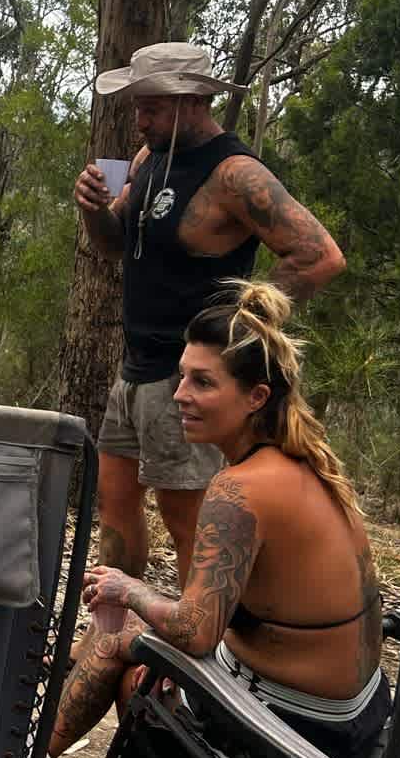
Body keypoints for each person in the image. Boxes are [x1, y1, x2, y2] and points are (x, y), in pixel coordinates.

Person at [48, 282, 387, 758]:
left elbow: (196, 631)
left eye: (202, 382)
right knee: (142, 636)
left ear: (256, 397)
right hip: (358, 717)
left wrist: (127, 588)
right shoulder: (308, 464)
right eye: (182, 375)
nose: (180, 393)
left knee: (117, 640)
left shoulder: (240, 489)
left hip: (304, 736)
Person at [73, 40, 345, 586]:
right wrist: (95, 211)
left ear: (192, 100)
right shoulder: (150, 159)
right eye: (137, 104)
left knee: (189, 523)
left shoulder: (235, 174)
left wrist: (240, 329)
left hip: (190, 378)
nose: (139, 118)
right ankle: (114, 630)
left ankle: (199, 649)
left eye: (150, 105)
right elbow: (116, 244)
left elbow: (320, 257)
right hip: (136, 370)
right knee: (114, 505)